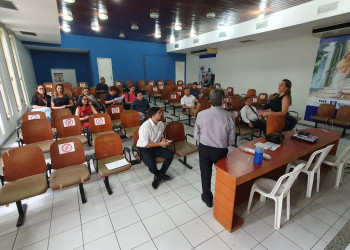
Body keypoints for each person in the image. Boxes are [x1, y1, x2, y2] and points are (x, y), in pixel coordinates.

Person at [194, 88, 235, 207]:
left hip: (205, 149)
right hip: (220, 151)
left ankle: (207, 199)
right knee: (222, 175)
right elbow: (231, 140)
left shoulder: (201, 114)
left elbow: (196, 136)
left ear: (209, 100)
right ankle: (222, 197)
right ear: (223, 100)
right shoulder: (229, 116)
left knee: (205, 174)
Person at [136, 107, 174, 189]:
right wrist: (161, 143)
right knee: (152, 166)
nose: (161, 114)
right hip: (144, 148)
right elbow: (146, 143)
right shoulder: (145, 126)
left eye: (161, 113)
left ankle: (158, 177)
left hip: (156, 145)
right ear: (153, 116)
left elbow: (161, 136)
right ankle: (160, 175)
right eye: (159, 113)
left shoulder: (160, 124)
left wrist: (164, 140)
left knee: (170, 155)